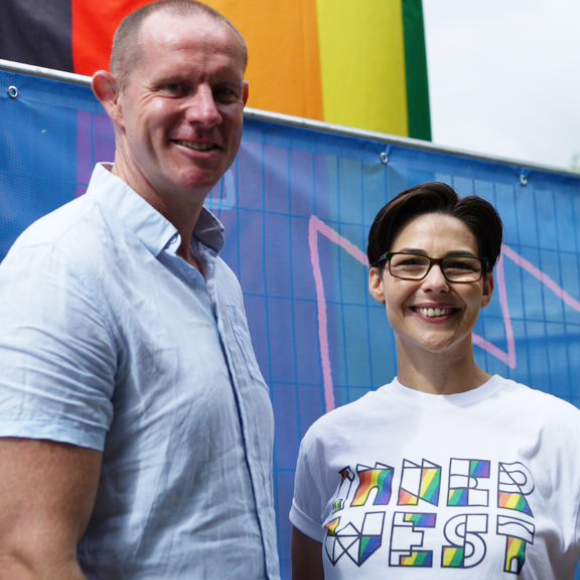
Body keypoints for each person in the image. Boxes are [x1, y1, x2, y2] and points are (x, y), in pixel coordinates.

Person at [0, 2, 280, 579]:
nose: (204, 113)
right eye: (175, 87)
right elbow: (27, 557)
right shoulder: (64, 264)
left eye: (224, 92)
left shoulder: (215, 278)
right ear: (112, 97)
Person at [290, 182, 580, 579]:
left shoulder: (561, 432)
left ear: (487, 287)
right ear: (378, 282)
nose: (436, 283)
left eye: (459, 265)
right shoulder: (327, 441)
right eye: (411, 263)